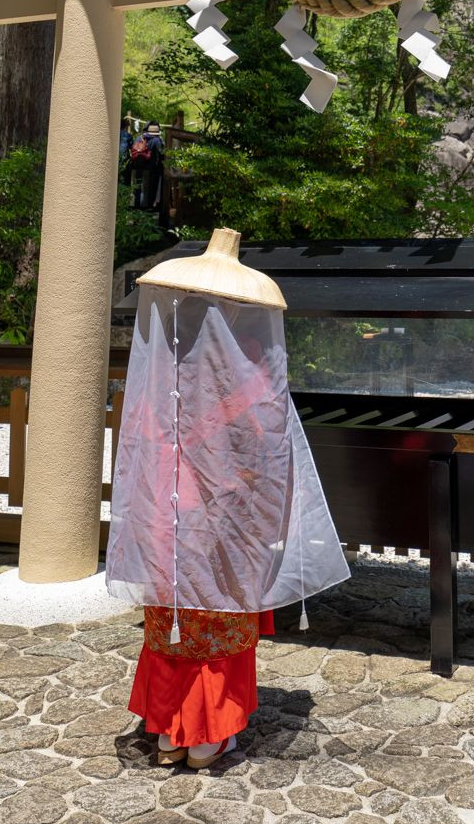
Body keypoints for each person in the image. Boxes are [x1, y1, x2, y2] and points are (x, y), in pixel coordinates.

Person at [106, 230, 349, 769]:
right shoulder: (251, 375)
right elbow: (265, 452)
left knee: (174, 613)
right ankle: (207, 733)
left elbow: (143, 440)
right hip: (224, 517)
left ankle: (168, 731)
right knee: (218, 614)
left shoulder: (165, 368)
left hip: (165, 510)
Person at [128, 122, 165, 212]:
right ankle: (147, 207)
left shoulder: (139, 138)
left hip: (137, 167)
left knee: (137, 185)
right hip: (151, 168)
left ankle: (136, 206)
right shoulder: (157, 140)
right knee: (149, 188)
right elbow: (161, 153)